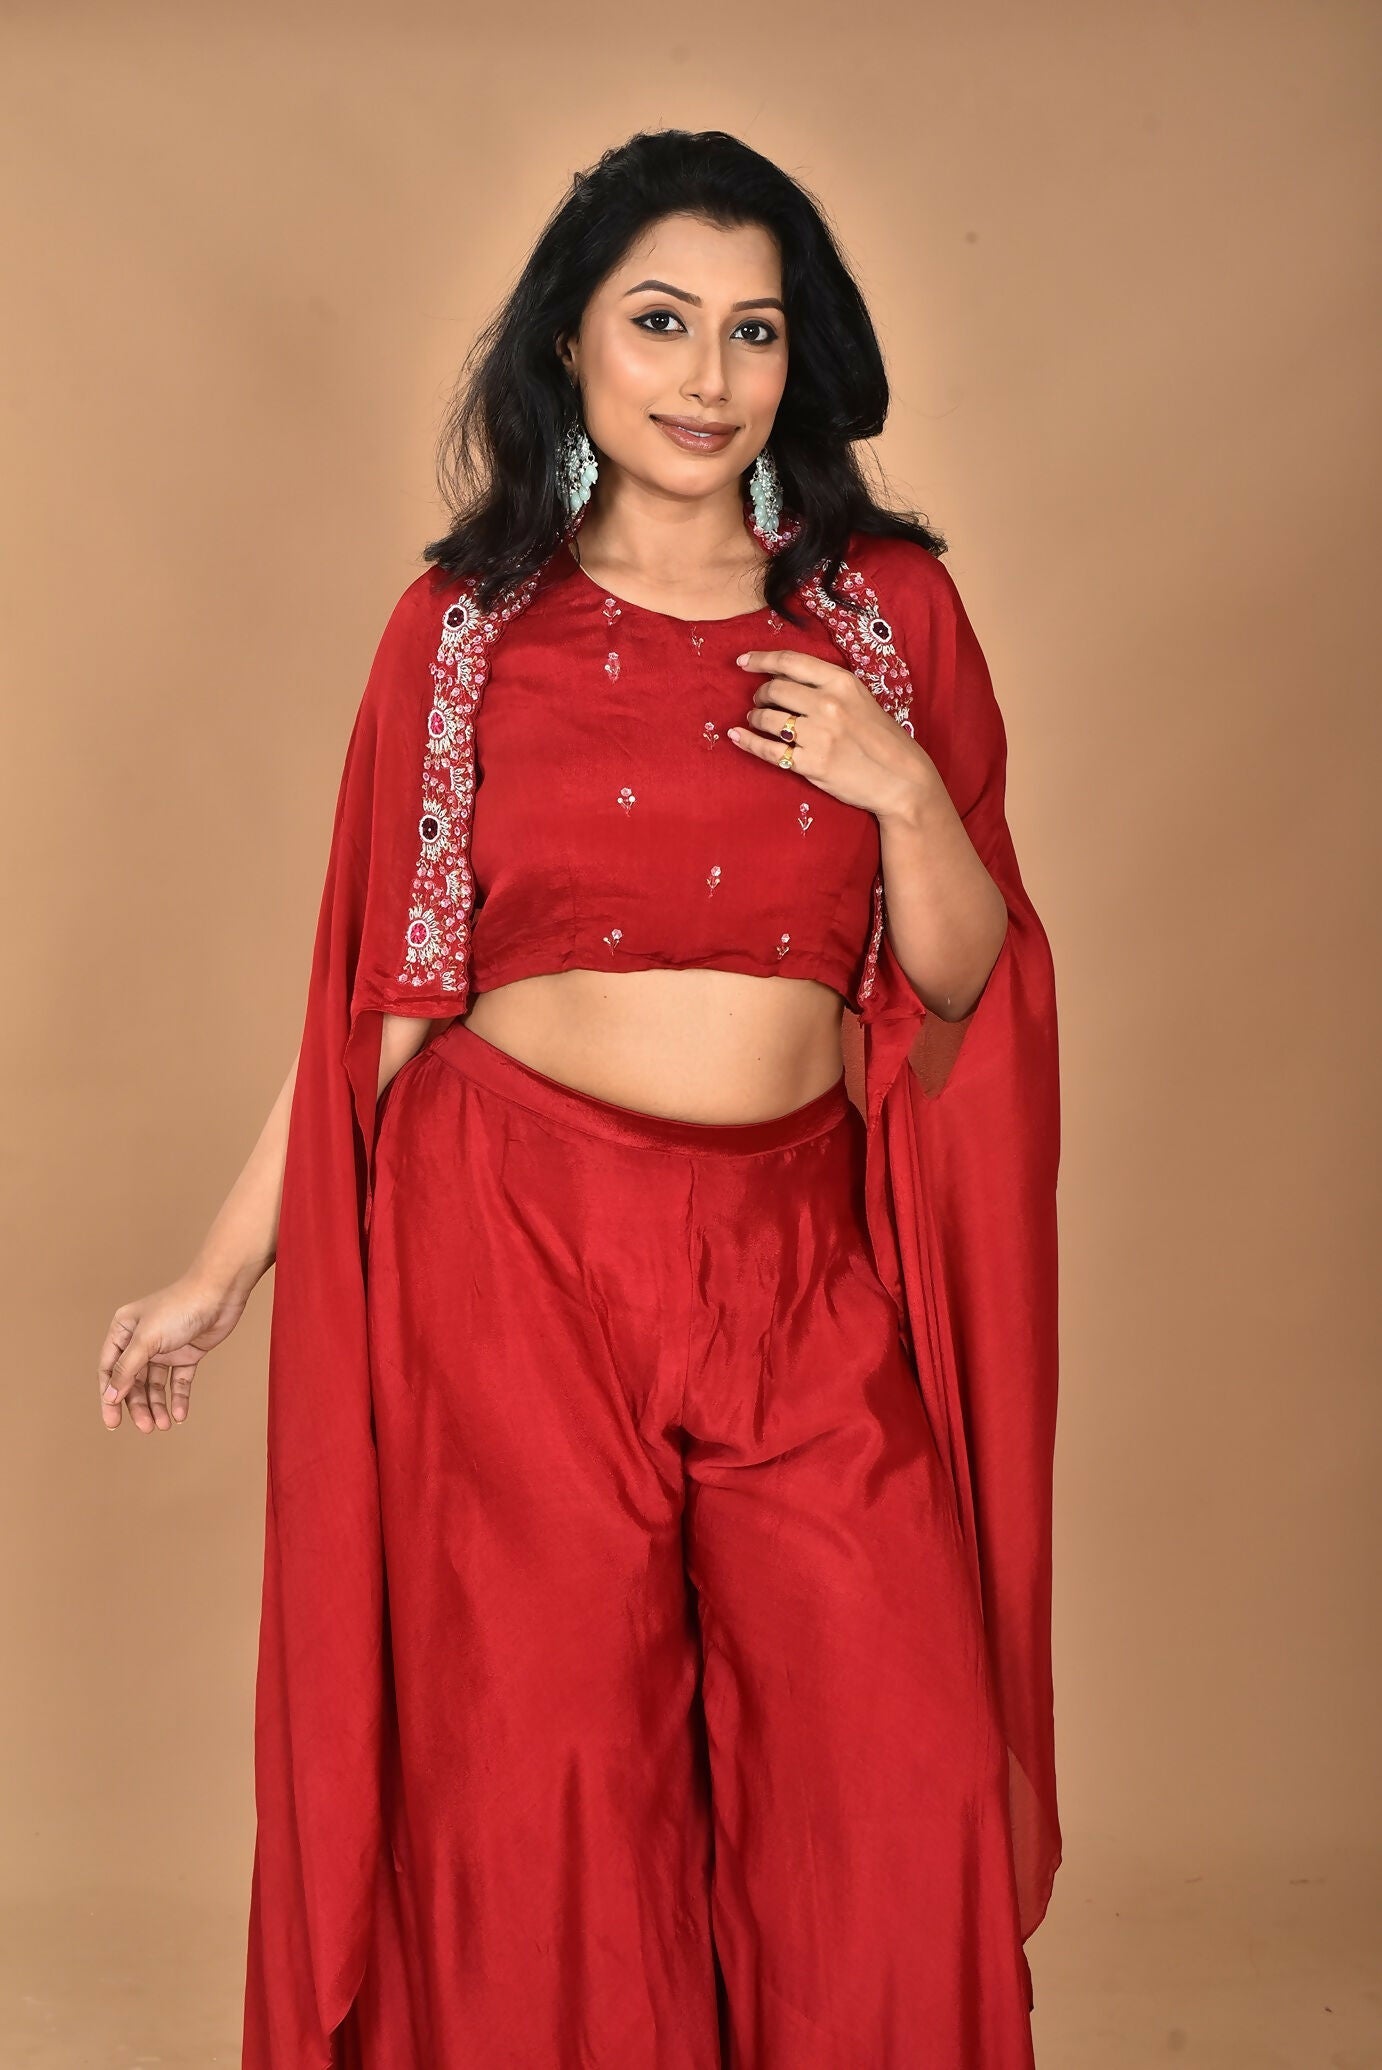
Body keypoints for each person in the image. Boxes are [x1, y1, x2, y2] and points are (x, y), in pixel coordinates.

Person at [97, 129, 1062, 2070]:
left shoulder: (881, 617)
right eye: (660, 321)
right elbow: (383, 1001)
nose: (707, 377)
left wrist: (900, 786)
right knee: (542, 1787)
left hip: (792, 1259)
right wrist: (220, 1272)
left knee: (900, 1771)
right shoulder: (465, 631)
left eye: (754, 331)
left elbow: (961, 976)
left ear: (799, 360)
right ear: (571, 345)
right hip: (509, 1247)